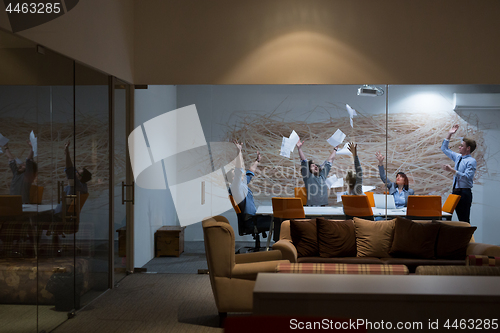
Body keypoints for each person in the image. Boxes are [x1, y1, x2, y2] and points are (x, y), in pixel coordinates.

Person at [225, 140, 271, 245]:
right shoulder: (235, 187)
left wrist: (257, 161)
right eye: (236, 175)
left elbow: (250, 173)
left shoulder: (241, 185)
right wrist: (238, 152)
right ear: (233, 178)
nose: (242, 175)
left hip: (252, 218)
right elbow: (239, 169)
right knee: (279, 221)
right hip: (251, 221)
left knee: (276, 219)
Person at [441, 124, 476, 223]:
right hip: (455, 192)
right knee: (446, 218)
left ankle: (467, 238)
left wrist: (452, 171)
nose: (459, 147)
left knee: (464, 220)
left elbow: (467, 177)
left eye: (461, 145)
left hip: (464, 193)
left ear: (468, 148)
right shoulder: (458, 157)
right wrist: (449, 134)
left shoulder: (471, 161)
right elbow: (444, 148)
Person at [296, 138, 337, 206]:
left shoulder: (322, 176)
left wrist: (335, 149)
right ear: (308, 169)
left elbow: (330, 161)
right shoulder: (308, 176)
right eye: (312, 166)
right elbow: (304, 161)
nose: (315, 166)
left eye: (316, 166)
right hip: (312, 208)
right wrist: (299, 149)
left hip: (324, 207)